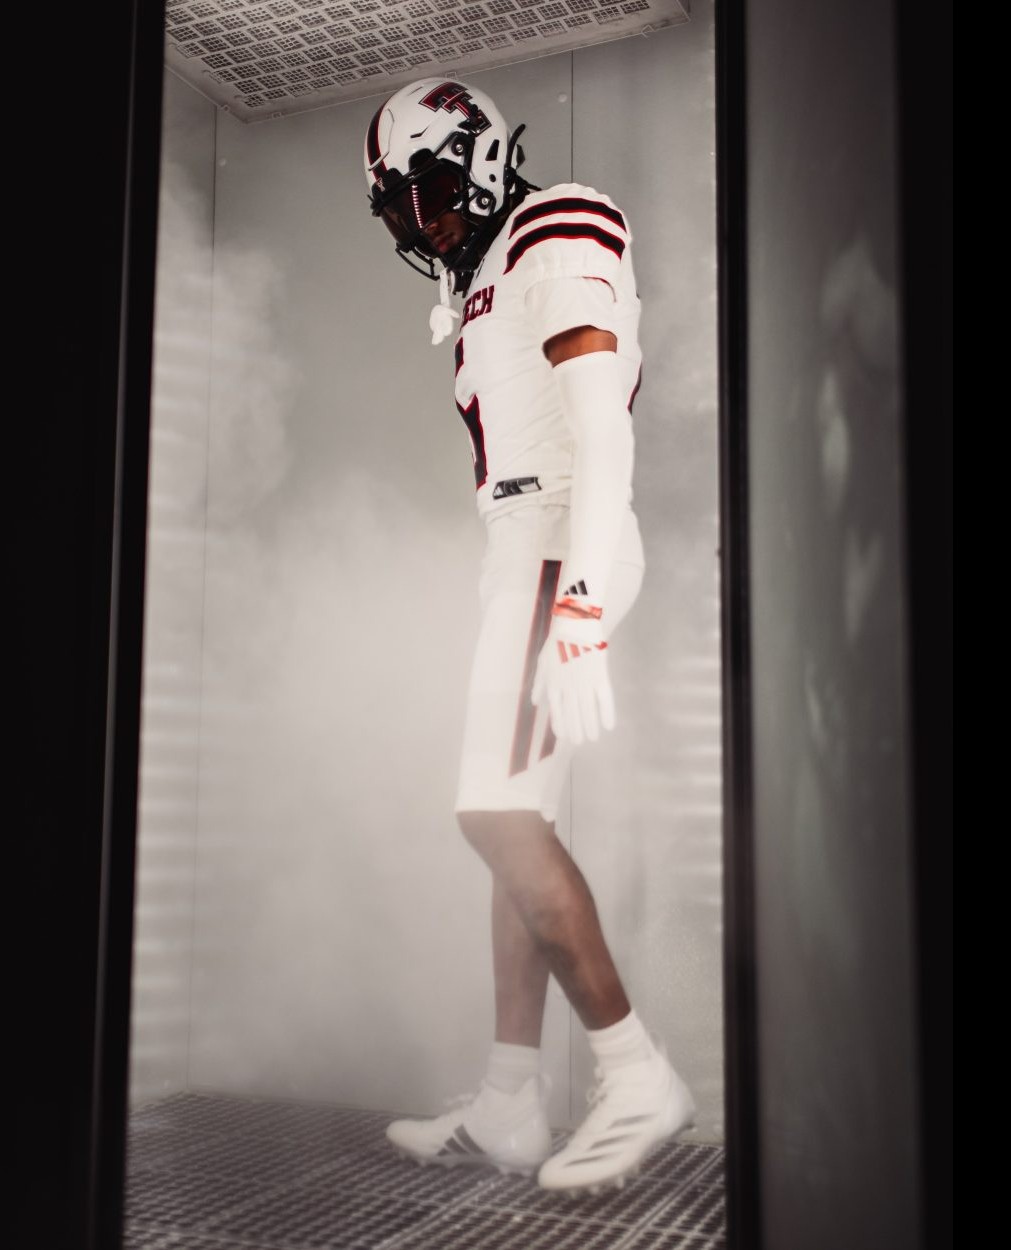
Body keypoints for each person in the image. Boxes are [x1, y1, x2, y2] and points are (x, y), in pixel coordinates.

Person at [362, 78, 695, 1194]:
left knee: (494, 815)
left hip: (561, 544)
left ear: (485, 158)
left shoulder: (556, 222)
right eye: (402, 208)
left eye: (432, 192)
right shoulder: (493, 267)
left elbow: (601, 428)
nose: (423, 223)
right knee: (519, 821)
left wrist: (582, 603)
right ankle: (512, 1096)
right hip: (526, 550)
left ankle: (634, 1071)